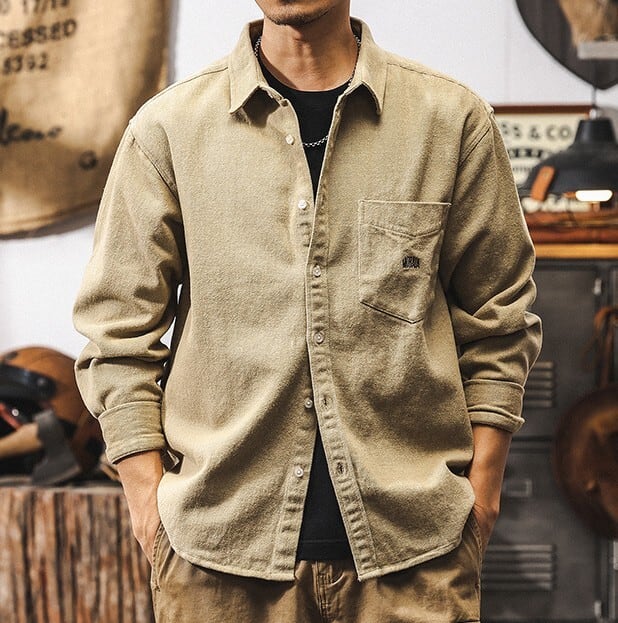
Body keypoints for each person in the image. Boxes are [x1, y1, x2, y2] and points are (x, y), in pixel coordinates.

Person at [73, 1, 542, 621]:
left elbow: (500, 318)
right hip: (218, 562)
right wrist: (147, 503)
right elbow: (117, 332)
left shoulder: (450, 121)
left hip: (415, 558)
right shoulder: (169, 129)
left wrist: (482, 495)